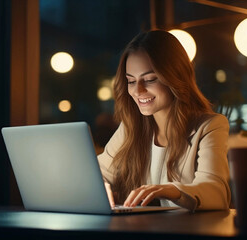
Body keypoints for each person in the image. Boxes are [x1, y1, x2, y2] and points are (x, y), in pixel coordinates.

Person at [98, 30, 230, 211]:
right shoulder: (130, 128)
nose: (138, 91)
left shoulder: (209, 126)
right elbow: (96, 174)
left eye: (150, 79)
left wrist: (171, 190)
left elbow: (216, 192)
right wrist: (100, 187)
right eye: (131, 81)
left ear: (175, 77)